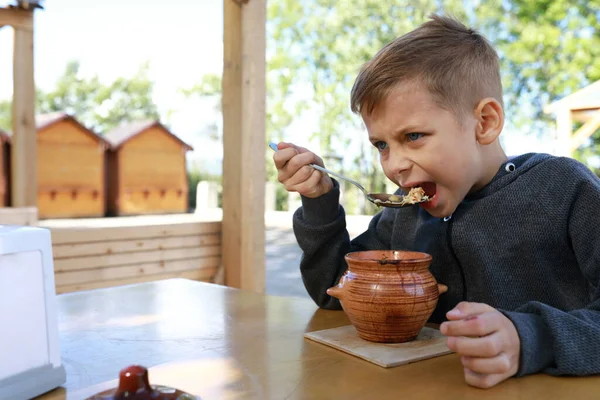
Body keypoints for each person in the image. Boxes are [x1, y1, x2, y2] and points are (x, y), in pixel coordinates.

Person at [271, 14, 600, 389]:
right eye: (381, 145)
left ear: (485, 122)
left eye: (414, 136)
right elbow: (336, 291)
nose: (394, 165)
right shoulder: (406, 211)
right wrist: (319, 202)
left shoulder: (562, 190)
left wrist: (529, 338)